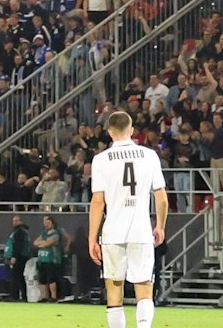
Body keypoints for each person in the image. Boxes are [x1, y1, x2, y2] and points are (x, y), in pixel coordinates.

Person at [89, 111, 168, 328]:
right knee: (144, 287)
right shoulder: (149, 156)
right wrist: (160, 226)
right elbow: (161, 197)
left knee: (114, 290)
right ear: (131, 130)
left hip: (113, 232)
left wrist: (92, 239)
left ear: (109, 132)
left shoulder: (100, 160)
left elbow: (98, 202)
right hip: (141, 231)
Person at [34, 216, 66, 304]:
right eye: (45, 223)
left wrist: (43, 243)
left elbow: (47, 243)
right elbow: (35, 242)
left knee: (51, 279)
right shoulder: (44, 233)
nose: (46, 225)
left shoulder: (55, 234)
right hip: (42, 259)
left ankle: (53, 296)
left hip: (51, 259)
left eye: (48, 223)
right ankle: (44, 296)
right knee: (42, 279)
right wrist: (43, 243)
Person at [5, 215, 33, 302]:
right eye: (14, 221)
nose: (15, 222)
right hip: (20, 257)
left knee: (16, 277)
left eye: (17, 221)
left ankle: (15, 296)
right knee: (18, 277)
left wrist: (14, 256)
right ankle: (20, 296)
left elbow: (18, 245)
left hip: (19, 257)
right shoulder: (19, 231)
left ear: (21, 221)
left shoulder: (19, 232)